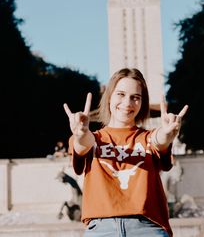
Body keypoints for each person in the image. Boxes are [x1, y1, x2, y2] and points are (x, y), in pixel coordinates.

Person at [63, 68, 188, 237]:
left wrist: (167, 133)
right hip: (101, 229)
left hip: (146, 228)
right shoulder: (94, 138)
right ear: (109, 97)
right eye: (120, 94)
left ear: (142, 103)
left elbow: (159, 140)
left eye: (135, 97)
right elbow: (83, 143)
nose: (128, 103)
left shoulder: (147, 138)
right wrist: (81, 134)